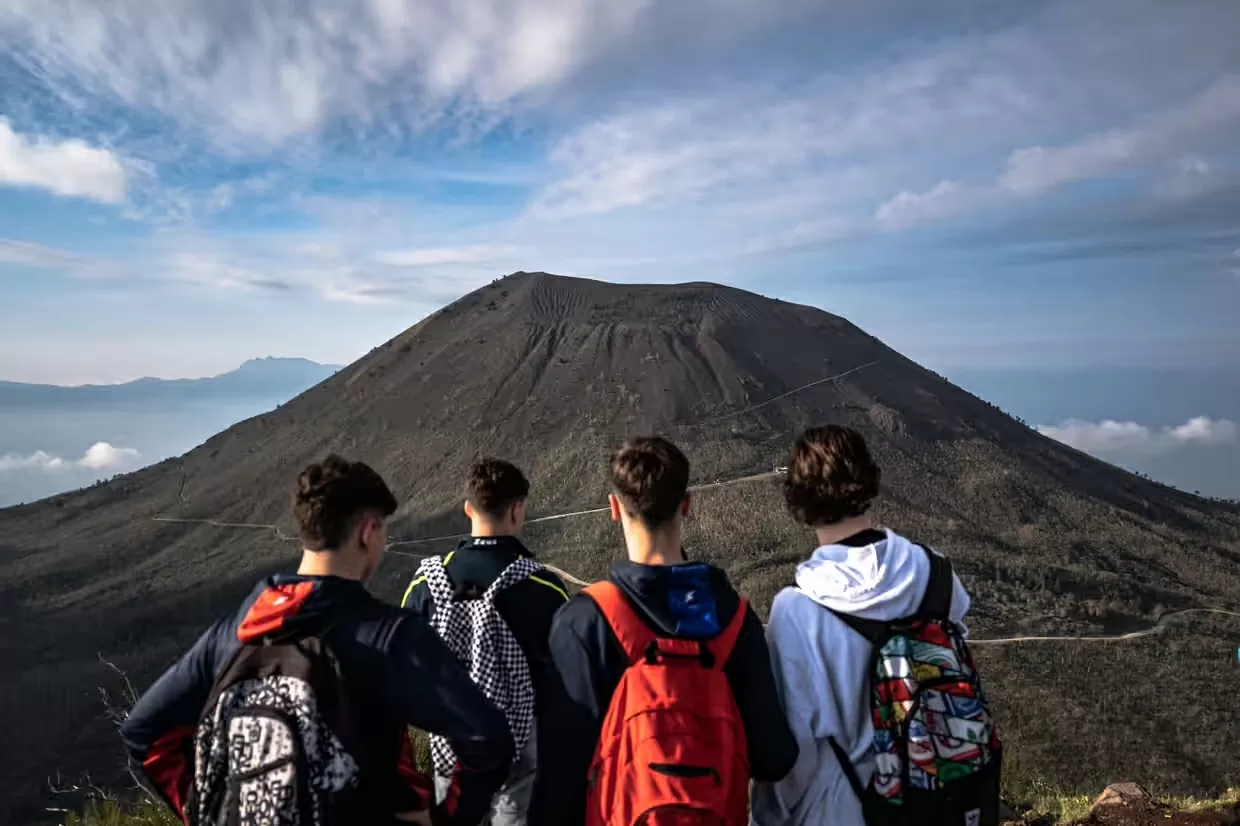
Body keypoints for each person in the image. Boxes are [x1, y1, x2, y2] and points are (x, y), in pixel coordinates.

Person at [121, 454, 515, 826]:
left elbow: (144, 731)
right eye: (383, 531)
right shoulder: (389, 635)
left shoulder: (238, 629)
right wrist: (448, 818)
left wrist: (208, 808)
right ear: (367, 532)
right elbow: (488, 739)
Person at [530, 436, 798, 826]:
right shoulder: (735, 621)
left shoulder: (586, 620)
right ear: (686, 505)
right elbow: (773, 758)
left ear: (614, 508)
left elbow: (559, 775)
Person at [751, 425, 998, 826]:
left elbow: (797, 749)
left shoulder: (797, 610)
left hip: (844, 806)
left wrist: (767, 817)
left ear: (799, 498)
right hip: (942, 798)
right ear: (868, 481)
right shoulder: (935, 574)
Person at [402, 458, 568, 826]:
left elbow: (406, 668)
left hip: (453, 747)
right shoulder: (544, 587)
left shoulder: (426, 583)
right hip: (522, 744)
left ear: (467, 508)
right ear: (517, 509)